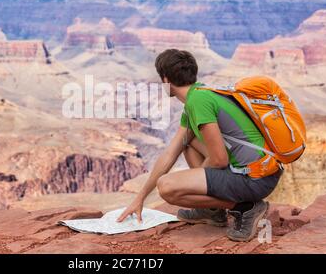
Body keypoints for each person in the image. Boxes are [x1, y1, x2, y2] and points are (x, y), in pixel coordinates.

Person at [117, 49, 283, 242]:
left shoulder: (198, 102)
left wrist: (195, 181)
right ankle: (213, 212)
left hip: (254, 179)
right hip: (257, 172)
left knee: (167, 187)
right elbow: (171, 153)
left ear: (165, 79)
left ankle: (246, 208)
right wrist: (140, 199)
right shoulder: (199, 95)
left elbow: (219, 159)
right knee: (187, 143)